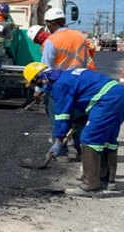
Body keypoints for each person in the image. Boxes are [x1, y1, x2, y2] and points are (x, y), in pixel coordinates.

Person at [23, 62, 123, 197]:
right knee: (107, 139)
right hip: (118, 95)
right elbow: (86, 94)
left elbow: (62, 116)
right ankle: (107, 181)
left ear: (41, 78)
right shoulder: (66, 76)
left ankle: (91, 186)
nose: (40, 88)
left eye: (38, 84)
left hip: (106, 100)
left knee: (89, 139)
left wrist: (58, 141)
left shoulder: (59, 85)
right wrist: (81, 118)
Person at [36, 8, 96, 158]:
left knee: (58, 117)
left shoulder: (51, 41)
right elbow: (87, 58)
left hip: (60, 85)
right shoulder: (79, 36)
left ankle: (60, 149)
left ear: (51, 23)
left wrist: (39, 89)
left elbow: (46, 70)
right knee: (79, 120)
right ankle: (82, 151)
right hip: (81, 83)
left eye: (48, 24)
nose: (47, 27)